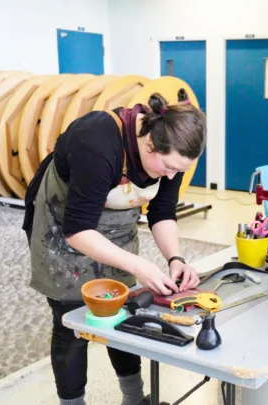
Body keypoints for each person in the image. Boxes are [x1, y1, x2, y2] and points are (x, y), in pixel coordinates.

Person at [22, 90, 207, 405]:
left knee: (121, 311)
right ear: (148, 142)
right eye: (168, 167)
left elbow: (162, 212)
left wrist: (175, 258)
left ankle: (133, 400)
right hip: (64, 225)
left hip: (115, 230)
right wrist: (137, 265)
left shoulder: (172, 154)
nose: (172, 175)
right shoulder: (98, 142)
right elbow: (78, 229)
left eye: (180, 169)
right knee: (72, 320)